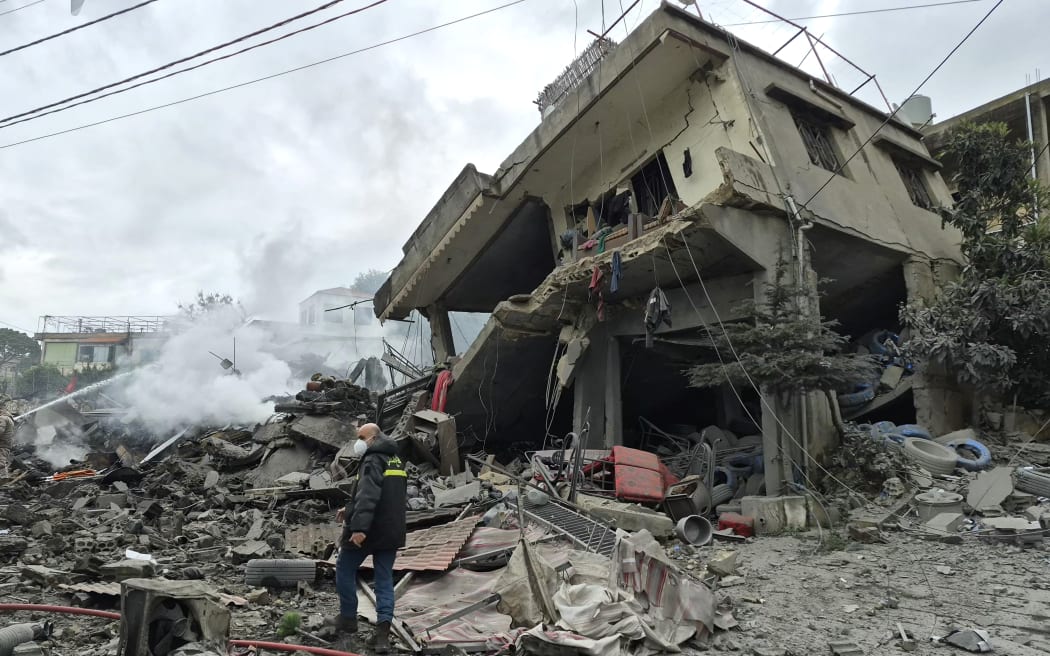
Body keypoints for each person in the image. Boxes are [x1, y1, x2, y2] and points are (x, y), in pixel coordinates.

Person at [330, 423, 406, 652]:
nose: (358, 442)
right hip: (391, 531)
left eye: (362, 437)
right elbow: (385, 496)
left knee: (344, 568)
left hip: (370, 530)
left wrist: (359, 528)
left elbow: (368, 496)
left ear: (374, 437)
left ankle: (348, 619)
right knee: (384, 580)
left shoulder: (372, 460)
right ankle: (382, 635)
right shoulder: (395, 459)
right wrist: (349, 510)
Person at [0, 407, 15, 477]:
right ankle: (4, 477)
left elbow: (0, 430)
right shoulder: (8, 419)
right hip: (6, 443)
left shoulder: (2, 418)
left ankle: (3, 478)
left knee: (1, 461)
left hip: (2, 443)